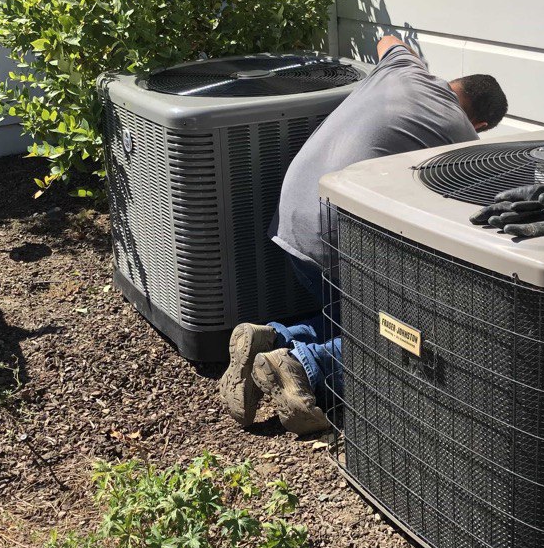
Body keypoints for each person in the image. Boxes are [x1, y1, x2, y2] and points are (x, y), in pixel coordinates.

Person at [217, 34, 507, 434]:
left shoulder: (404, 68)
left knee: (349, 315)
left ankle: (270, 339)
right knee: (404, 335)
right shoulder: (464, 142)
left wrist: (415, 64)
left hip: (290, 218)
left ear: (455, 83)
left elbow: (387, 39)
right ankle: (306, 365)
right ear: (481, 125)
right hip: (331, 240)